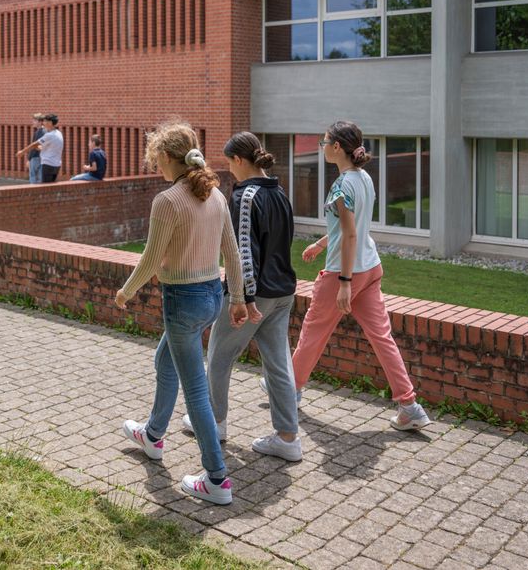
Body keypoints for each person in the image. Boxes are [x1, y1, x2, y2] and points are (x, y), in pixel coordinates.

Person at [116, 121, 248, 506]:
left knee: (195, 390)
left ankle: (217, 478)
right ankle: (153, 434)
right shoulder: (217, 197)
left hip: (182, 301)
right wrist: (236, 297)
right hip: (211, 297)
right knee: (165, 358)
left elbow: (151, 258)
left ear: (166, 157)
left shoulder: (168, 200)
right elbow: (233, 253)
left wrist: (127, 291)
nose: (154, 163)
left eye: (156, 156)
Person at [290, 120, 431, 431]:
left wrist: (344, 283)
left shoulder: (341, 186)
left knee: (313, 332)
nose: (322, 147)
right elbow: (349, 228)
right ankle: (410, 406)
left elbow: (351, 234)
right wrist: (319, 243)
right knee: (382, 338)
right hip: (371, 268)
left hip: (347, 271)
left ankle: (290, 392)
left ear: (337, 147)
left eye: (324, 142)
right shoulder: (364, 178)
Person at [180, 132, 302, 461]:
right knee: (278, 364)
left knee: (219, 356)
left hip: (255, 295)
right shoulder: (279, 191)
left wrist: (241, 298)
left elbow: (243, 251)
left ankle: (215, 423)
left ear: (238, 160)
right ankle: (288, 437)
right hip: (283, 291)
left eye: (229, 164)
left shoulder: (245, 196)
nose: (229, 172)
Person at [16, 113, 62, 183]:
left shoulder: (48, 135)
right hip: (56, 164)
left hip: (48, 164)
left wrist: (22, 152)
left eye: (45, 121)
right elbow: (48, 147)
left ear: (50, 123)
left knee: (42, 184)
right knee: (50, 185)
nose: (44, 123)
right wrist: (41, 148)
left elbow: (34, 144)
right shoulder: (58, 133)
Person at [26, 113, 45, 184]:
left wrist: (29, 159)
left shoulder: (38, 132)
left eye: (35, 120)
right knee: (40, 177)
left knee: (33, 176)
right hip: (42, 157)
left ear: (40, 122)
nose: (33, 122)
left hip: (35, 157)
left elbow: (34, 146)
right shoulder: (45, 131)